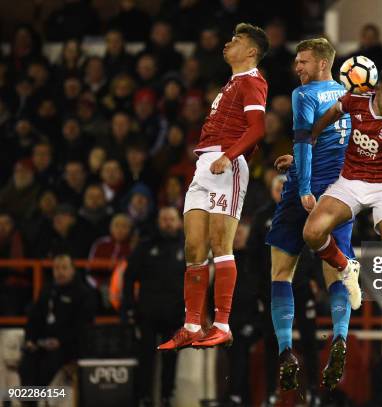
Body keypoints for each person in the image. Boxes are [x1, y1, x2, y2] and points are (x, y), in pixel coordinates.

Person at [158, 23, 269, 350]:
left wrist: (230, 155)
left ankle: (222, 323)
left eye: (236, 40)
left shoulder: (253, 81)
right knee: (194, 248)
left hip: (227, 164)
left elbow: (258, 128)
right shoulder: (232, 83)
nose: (227, 43)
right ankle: (192, 325)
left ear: (251, 51)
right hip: (204, 164)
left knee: (222, 244)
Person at [302, 65, 382, 363]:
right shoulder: (355, 99)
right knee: (312, 233)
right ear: (377, 90)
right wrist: (312, 138)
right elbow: (333, 112)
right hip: (352, 180)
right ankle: (345, 268)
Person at [266, 38, 354, 391]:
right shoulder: (349, 95)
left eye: (302, 61)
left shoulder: (303, 95)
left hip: (304, 191)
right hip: (341, 192)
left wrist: (303, 186)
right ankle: (341, 337)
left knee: (281, 271)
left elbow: (303, 142)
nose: (297, 67)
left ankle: (286, 349)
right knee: (336, 270)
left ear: (321, 63)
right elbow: (336, 140)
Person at [121, 207, 185, 406]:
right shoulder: (145, 246)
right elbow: (129, 277)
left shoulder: (188, 246)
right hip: (146, 313)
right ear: (158, 222)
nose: (167, 223)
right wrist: (129, 307)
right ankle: (144, 397)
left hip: (175, 314)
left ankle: (167, 396)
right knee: (145, 358)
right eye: (164, 219)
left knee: (170, 358)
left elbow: (197, 281)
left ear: (179, 222)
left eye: (171, 219)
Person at [19, 253, 96, 387]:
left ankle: (34, 397)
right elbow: (34, 318)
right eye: (56, 268)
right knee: (27, 362)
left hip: (69, 345)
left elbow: (82, 326)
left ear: (73, 270)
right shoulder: (47, 290)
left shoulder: (83, 294)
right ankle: (29, 400)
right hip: (44, 342)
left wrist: (60, 341)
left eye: (64, 268)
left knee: (48, 364)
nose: (60, 272)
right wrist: (30, 339)